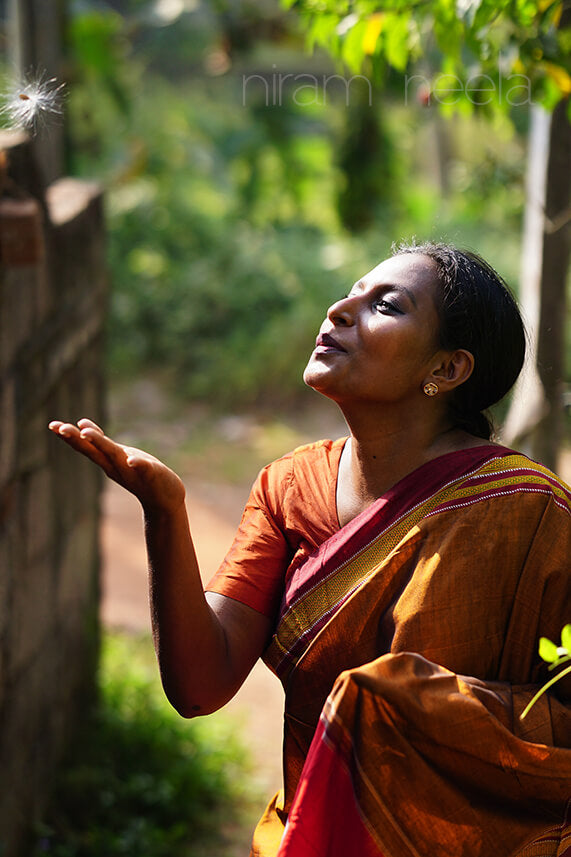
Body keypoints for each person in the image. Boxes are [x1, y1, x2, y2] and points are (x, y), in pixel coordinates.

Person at [49, 242, 571, 857]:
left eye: (386, 305)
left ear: (448, 369)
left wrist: (397, 706)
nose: (340, 310)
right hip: (308, 832)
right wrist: (165, 512)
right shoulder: (289, 487)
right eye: (350, 291)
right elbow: (199, 684)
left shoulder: (528, 512)